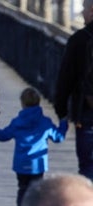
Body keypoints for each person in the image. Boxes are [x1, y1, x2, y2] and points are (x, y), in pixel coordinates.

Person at [0, 87, 68, 206]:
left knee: (22, 189)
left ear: (23, 103)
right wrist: (64, 123)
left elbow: (3, 136)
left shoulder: (17, 122)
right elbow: (58, 137)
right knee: (37, 192)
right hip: (37, 165)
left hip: (21, 164)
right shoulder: (45, 122)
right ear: (38, 103)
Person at [54, 0, 93, 181]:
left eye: (83, 9)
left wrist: (62, 111)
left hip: (87, 111)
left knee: (87, 166)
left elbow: (65, 79)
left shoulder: (79, 39)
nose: (81, 14)